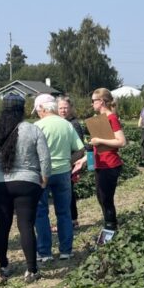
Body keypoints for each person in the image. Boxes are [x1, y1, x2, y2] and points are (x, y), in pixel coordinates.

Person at [0, 93, 51, 283]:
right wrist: (44, 179)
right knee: (26, 225)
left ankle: (3, 267)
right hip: (27, 182)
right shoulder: (33, 129)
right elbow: (45, 158)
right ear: (22, 110)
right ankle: (31, 270)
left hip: (0, 183)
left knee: (2, 224)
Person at [33, 94, 86, 262]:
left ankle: (44, 253)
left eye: (38, 110)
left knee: (41, 213)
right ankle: (66, 251)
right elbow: (80, 149)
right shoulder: (66, 125)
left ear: (42, 109)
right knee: (64, 213)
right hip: (63, 172)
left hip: (42, 174)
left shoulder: (37, 126)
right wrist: (67, 161)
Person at [89, 88, 127, 231]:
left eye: (94, 101)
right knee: (101, 198)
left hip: (110, 164)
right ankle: (110, 227)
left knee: (106, 199)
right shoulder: (100, 119)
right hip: (100, 164)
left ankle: (111, 228)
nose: (92, 103)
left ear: (102, 101)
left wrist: (99, 140)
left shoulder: (111, 118)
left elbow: (122, 142)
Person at [58, 97, 86, 227]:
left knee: (68, 192)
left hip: (71, 163)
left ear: (70, 109)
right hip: (65, 163)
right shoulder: (60, 122)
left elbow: (79, 148)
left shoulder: (73, 124)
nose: (63, 110)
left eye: (65, 108)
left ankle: (72, 220)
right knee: (67, 192)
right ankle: (71, 219)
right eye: (60, 108)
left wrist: (76, 166)